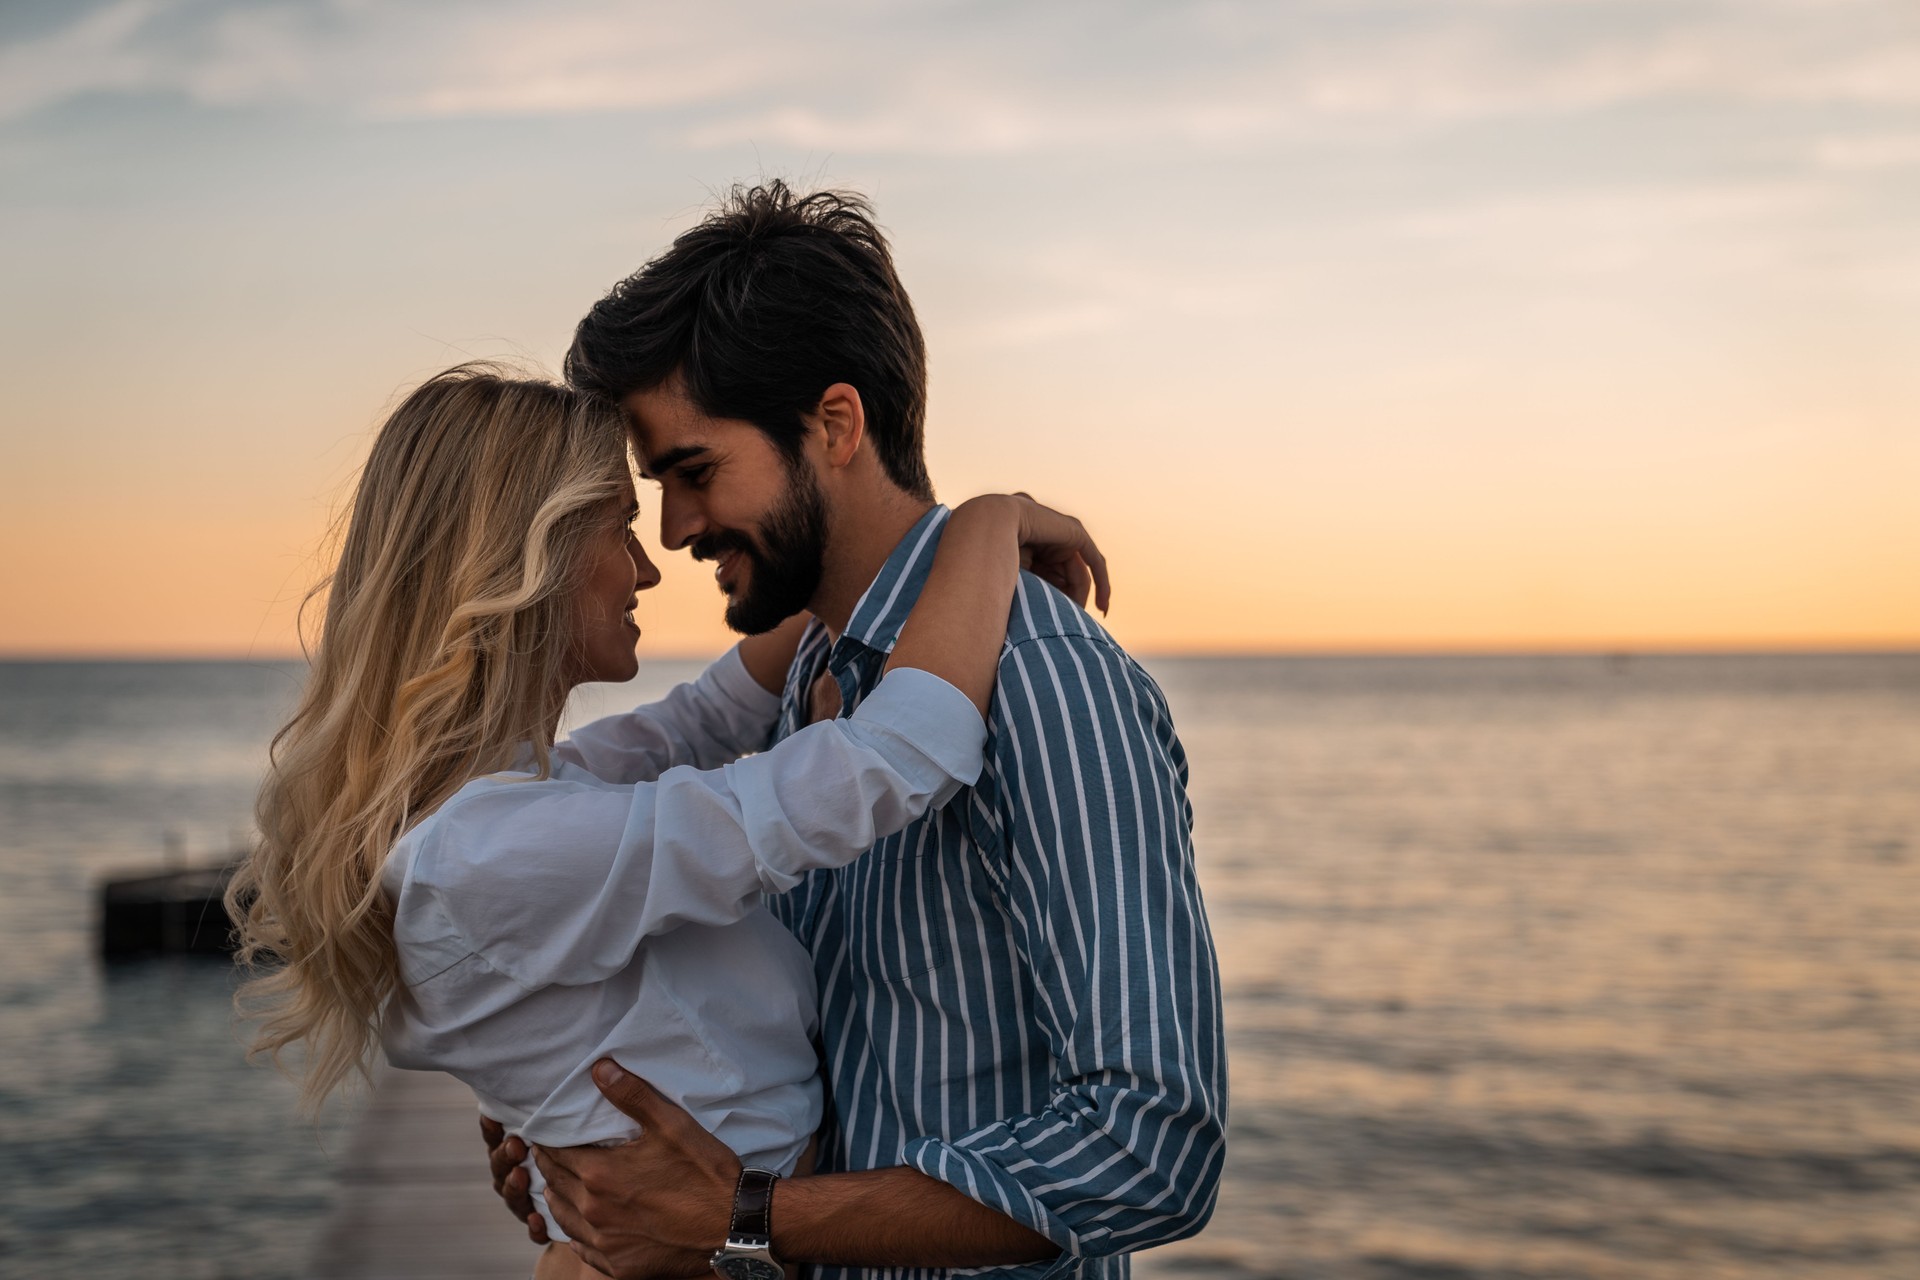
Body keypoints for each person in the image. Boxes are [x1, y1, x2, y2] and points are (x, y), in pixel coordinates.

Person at [485, 183, 1227, 1280]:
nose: (677, 529)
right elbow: (833, 1065)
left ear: (835, 425)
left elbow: (1152, 1143)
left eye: (695, 472)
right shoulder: (814, 675)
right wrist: (609, 1168)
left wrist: (741, 1212)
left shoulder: (1044, 679)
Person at [225, 365, 1108, 1280]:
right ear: (527, 557)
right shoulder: (496, 851)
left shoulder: (504, 807)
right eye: (619, 526)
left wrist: (854, 558)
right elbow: (896, 757)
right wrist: (985, 527)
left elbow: (702, 718)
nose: (651, 564)